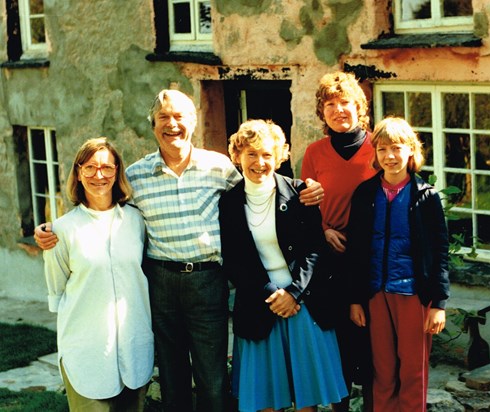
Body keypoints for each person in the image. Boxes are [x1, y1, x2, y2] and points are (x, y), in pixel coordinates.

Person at [35, 89, 324, 412]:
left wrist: (303, 189)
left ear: (193, 121)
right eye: (163, 118)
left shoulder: (219, 168)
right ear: (153, 125)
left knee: (212, 377)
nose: (172, 125)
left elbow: (260, 187)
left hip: (208, 281)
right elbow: (101, 209)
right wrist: (52, 228)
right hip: (161, 283)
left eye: (179, 117)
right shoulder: (136, 175)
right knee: (172, 377)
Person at [219, 119, 347, 412]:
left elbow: (315, 250)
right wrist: (271, 293)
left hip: (302, 303)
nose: (259, 162)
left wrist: (293, 293)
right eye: (251, 153)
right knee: (265, 398)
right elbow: (234, 259)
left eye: (267, 154)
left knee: (306, 399)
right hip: (258, 302)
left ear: (279, 157)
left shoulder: (301, 193)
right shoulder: (227, 203)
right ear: (237, 156)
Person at [43, 137, 154, 411]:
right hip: (88, 352)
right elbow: (57, 293)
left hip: (134, 346)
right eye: (90, 167)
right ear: (78, 173)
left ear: (117, 172)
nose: (99, 175)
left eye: (107, 167)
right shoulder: (61, 230)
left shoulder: (137, 221)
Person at [347, 117, 450, 412]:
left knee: (412, 371)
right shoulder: (365, 194)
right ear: (375, 154)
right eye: (382, 149)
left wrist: (438, 303)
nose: (389, 156)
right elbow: (355, 251)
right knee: (383, 371)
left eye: (396, 148)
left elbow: (439, 250)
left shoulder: (425, 196)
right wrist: (355, 300)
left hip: (414, 295)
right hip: (375, 295)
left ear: (410, 151)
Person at [301, 71, 376, 412]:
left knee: (373, 344)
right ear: (322, 112)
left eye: (344, 102)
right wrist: (323, 231)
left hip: (371, 258)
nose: (338, 110)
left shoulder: (378, 147)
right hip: (330, 258)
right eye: (330, 104)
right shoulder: (315, 153)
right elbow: (303, 209)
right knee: (337, 343)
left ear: (358, 107)